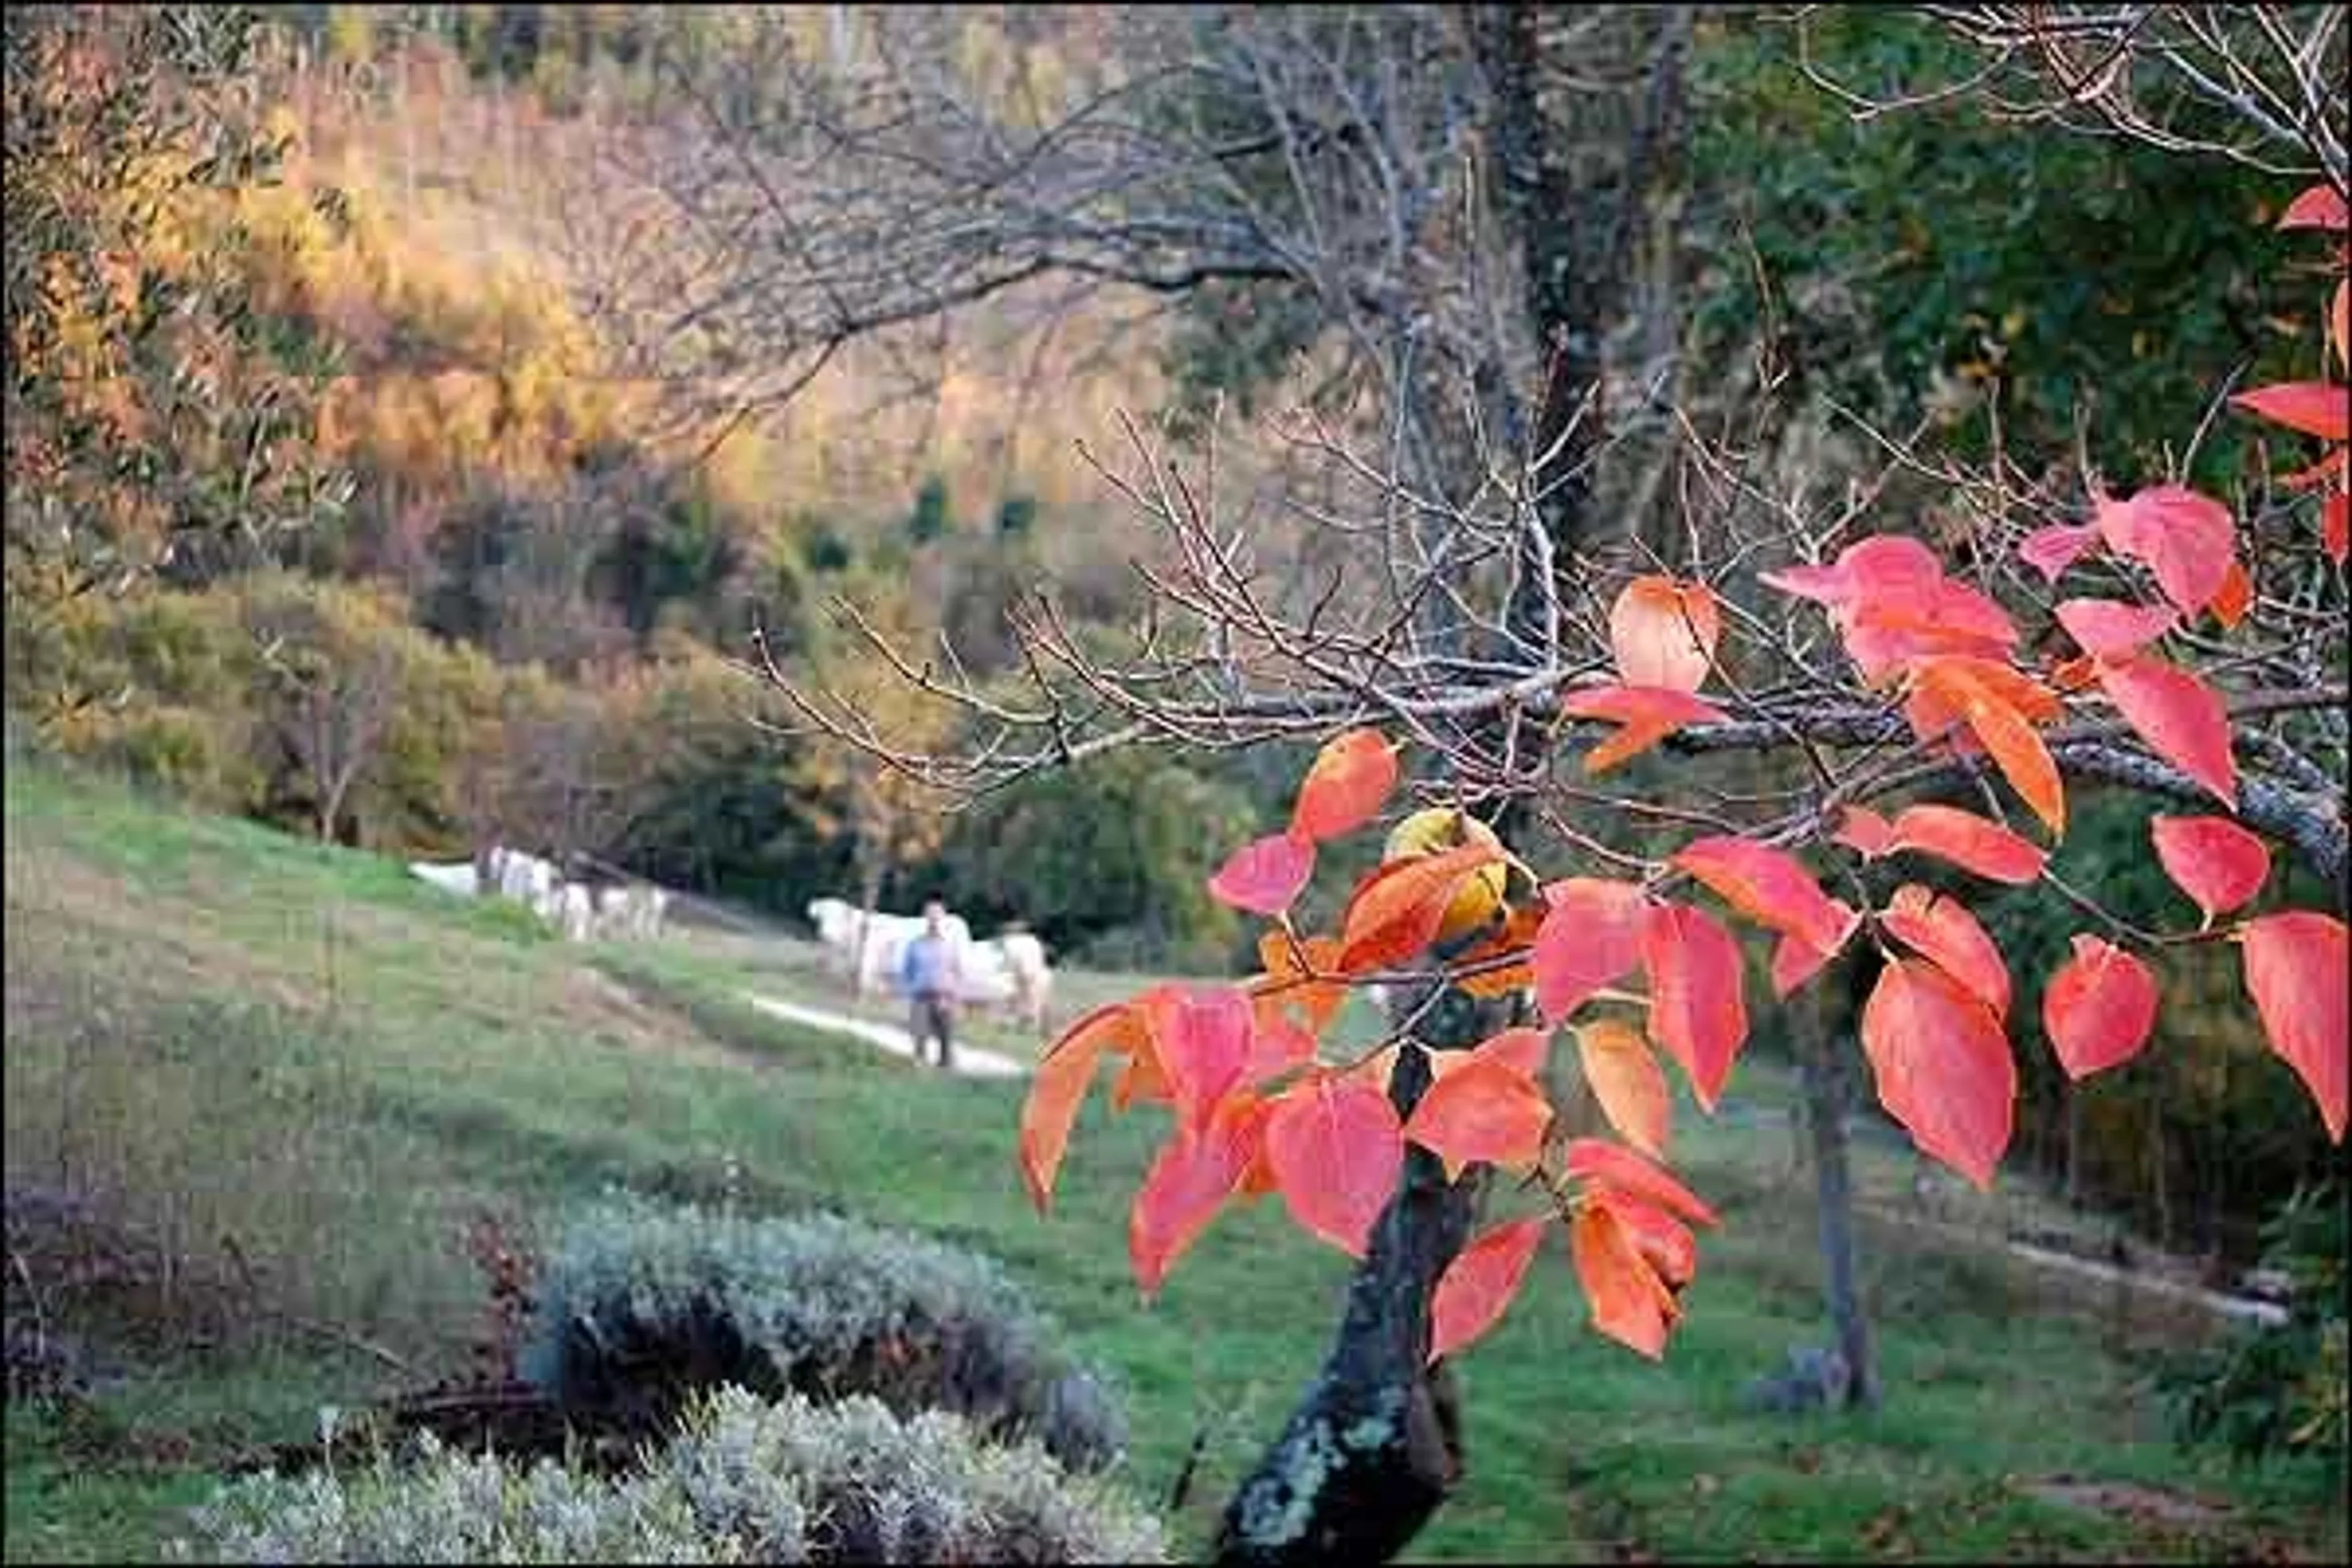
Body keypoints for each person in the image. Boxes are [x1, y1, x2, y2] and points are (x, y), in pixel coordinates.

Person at [897, 897, 963, 1069]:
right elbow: (907, 971)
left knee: (946, 1038)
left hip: (944, 996)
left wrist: (953, 997)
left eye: (937, 915)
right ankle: (920, 1067)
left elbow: (958, 972)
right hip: (921, 996)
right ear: (925, 918)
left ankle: (946, 1069)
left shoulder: (950, 945)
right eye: (930, 915)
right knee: (920, 1034)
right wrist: (908, 992)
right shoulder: (915, 944)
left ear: (944, 918)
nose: (934, 919)